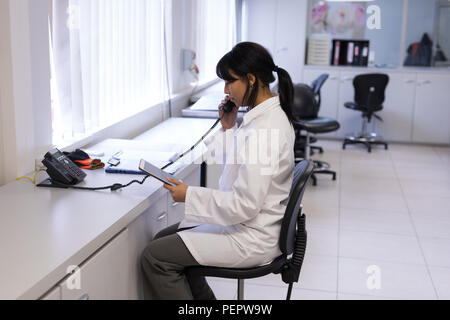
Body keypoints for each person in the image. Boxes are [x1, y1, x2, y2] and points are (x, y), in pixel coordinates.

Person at [140, 42, 296, 300]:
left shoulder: (266, 130)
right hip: (250, 224)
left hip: (250, 236)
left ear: (251, 78)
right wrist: (228, 127)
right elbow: (240, 168)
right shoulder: (265, 116)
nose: (225, 90)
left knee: (156, 256)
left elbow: (245, 205)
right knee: (164, 237)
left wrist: (189, 195)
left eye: (229, 82)